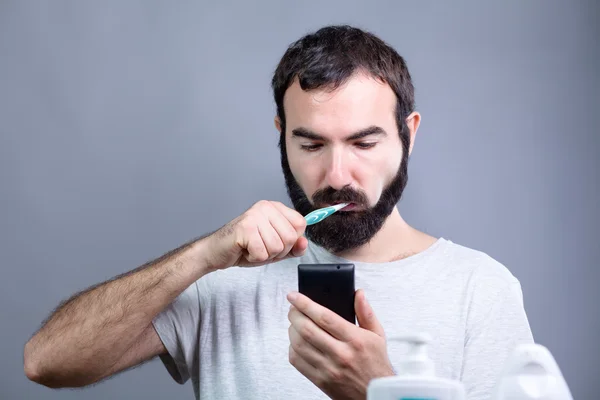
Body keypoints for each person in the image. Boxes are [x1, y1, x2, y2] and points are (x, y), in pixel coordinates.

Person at [23, 25, 533, 400]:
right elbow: (46, 363)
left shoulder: (480, 290)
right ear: (282, 137)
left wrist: (377, 393)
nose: (337, 175)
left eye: (363, 142)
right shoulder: (223, 277)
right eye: (311, 144)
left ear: (409, 134)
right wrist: (202, 256)